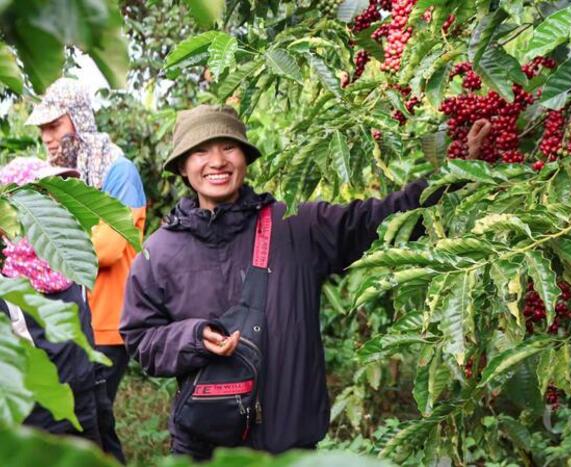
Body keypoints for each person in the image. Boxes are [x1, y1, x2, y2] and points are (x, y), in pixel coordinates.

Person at [120, 105, 491, 459]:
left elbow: (377, 219)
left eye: (228, 147)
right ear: (183, 167)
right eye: (201, 151)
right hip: (204, 450)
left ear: (245, 158)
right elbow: (140, 338)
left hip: (289, 446)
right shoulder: (160, 252)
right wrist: (192, 338)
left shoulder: (296, 226)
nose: (217, 161)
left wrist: (455, 171)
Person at [26, 78, 147, 464]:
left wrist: (41, 241)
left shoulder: (118, 171)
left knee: (90, 420)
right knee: (88, 422)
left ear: (78, 119)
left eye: (54, 125)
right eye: (42, 129)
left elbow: (108, 247)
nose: (47, 137)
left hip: (107, 321)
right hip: (71, 321)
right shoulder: (55, 175)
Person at [0, 157, 102, 446]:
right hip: (36, 418)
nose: (52, 205)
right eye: (40, 196)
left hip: (84, 402)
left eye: (54, 196)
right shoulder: (6, 282)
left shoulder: (73, 266)